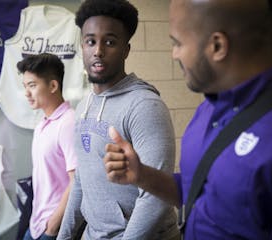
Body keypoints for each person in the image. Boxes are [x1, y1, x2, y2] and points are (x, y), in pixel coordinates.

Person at [103, 0, 272, 239]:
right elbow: (195, 191)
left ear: (217, 46)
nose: (174, 53)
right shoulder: (207, 109)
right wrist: (142, 175)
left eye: (178, 43)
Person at [57, 0, 180, 239]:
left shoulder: (144, 106)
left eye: (110, 42)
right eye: (90, 41)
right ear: (82, 46)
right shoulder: (84, 106)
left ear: (126, 50)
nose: (98, 50)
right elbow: (82, 179)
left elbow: (155, 198)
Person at [17, 53, 77, 240]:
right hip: (36, 223)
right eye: (25, 86)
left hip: (52, 228)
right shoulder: (43, 124)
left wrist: (53, 225)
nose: (27, 93)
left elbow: (78, 181)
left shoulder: (68, 122)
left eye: (32, 86)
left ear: (53, 86)